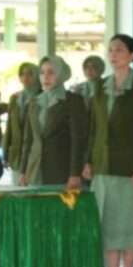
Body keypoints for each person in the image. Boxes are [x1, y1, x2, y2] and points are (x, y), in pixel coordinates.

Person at [83, 34, 133, 267]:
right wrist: (88, 161)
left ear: (132, 55)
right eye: (111, 50)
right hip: (102, 165)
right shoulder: (99, 87)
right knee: (108, 224)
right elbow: (93, 128)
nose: (114, 54)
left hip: (129, 167)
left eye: (120, 50)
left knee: (128, 224)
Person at [24, 55, 86, 193]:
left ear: (61, 75)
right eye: (42, 73)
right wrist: (23, 171)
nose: (45, 77)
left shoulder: (73, 101)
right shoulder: (34, 102)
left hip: (61, 170)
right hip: (35, 169)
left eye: (51, 72)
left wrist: (75, 174)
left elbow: (78, 140)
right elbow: (28, 140)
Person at [3, 61, 38, 184]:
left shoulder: (41, 97)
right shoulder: (15, 98)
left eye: (30, 74)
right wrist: (5, 151)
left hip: (33, 154)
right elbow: (10, 128)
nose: (25, 78)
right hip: (16, 154)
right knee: (16, 189)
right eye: (22, 74)